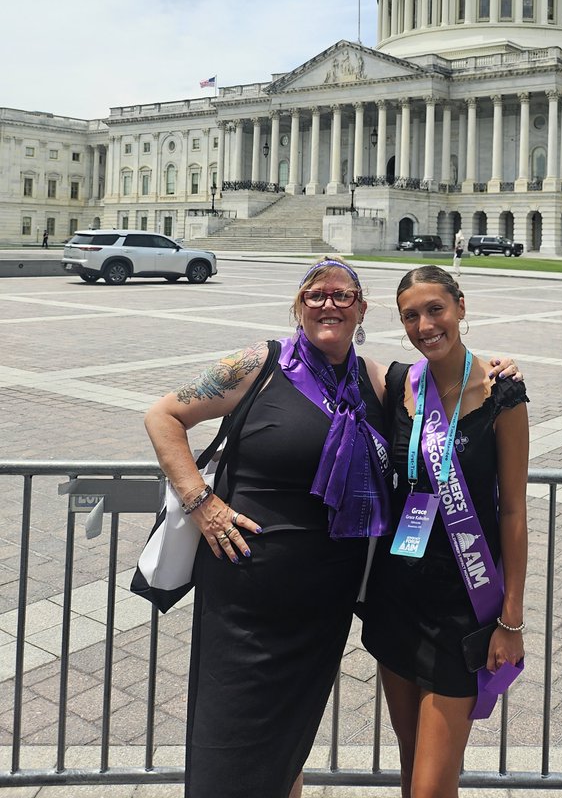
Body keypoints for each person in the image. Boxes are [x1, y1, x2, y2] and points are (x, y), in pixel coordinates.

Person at [143, 256, 521, 798]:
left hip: (325, 605)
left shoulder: (374, 381)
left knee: (289, 740)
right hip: (248, 596)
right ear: (298, 307)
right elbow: (163, 416)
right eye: (317, 294)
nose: (329, 304)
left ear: (361, 310)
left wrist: (497, 372)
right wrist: (201, 502)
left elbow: (442, 387)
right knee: (232, 738)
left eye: (343, 296)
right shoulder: (259, 362)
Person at [362, 265, 529, 798]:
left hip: (463, 606)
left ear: (461, 306)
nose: (425, 325)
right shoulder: (396, 386)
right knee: (413, 764)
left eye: (436, 309)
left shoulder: (502, 392)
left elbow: (514, 513)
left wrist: (512, 621)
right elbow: (324, 353)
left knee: (432, 784)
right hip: (398, 597)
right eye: (411, 315)